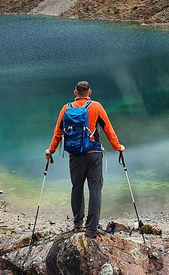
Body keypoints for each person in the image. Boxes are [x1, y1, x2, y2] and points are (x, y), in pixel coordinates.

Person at [45, 81, 124, 239]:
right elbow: (108, 128)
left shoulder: (66, 108)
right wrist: (118, 147)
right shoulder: (96, 106)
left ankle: (78, 223)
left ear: (75, 93)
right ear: (90, 93)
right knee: (95, 189)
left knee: (77, 187)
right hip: (93, 154)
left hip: (75, 155)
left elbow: (58, 132)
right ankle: (91, 229)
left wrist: (51, 150)